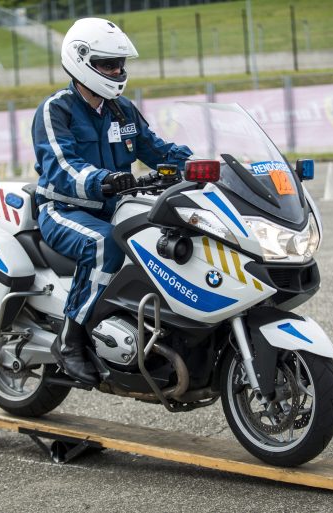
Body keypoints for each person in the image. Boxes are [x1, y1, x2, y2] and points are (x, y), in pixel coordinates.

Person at [32, 18, 193, 385]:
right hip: (64, 210)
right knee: (104, 244)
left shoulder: (121, 109)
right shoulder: (57, 110)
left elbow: (157, 149)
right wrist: (101, 180)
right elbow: (60, 166)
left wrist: (204, 166)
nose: (117, 71)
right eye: (107, 64)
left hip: (116, 208)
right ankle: (70, 339)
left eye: (120, 64)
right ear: (80, 60)